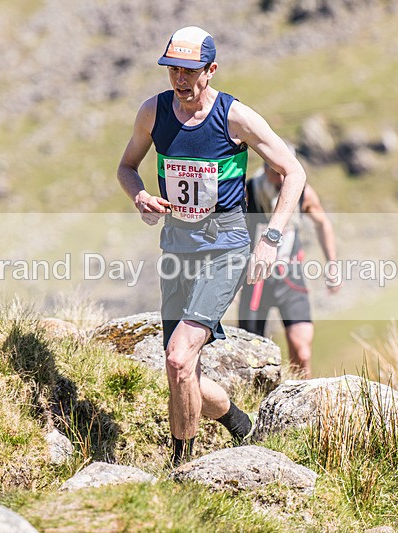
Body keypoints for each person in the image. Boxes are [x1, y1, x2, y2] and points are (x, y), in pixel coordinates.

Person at [116, 26, 306, 466]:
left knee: (178, 358)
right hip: (176, 249)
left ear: (211, 70)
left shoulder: (235, 116)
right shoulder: (153, 112)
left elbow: (293, 172)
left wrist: (270, 239)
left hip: (227, 247)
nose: (180, 79)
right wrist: (140, 195)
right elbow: (127, 167)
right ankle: (242, 425)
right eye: (172, 70)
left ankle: (181, 469)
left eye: (189, 71)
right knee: (181, 371)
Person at [238, 145, 340, 379]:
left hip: (290, 278)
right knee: (249, 354)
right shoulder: (248, 190)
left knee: (302, 351)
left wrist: (332, 264)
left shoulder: (303, 193)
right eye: (276, 172)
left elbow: (323, 223)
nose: (282, 180)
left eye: (286, 173)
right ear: (265, 168)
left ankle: (300, 395)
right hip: (255, 280)